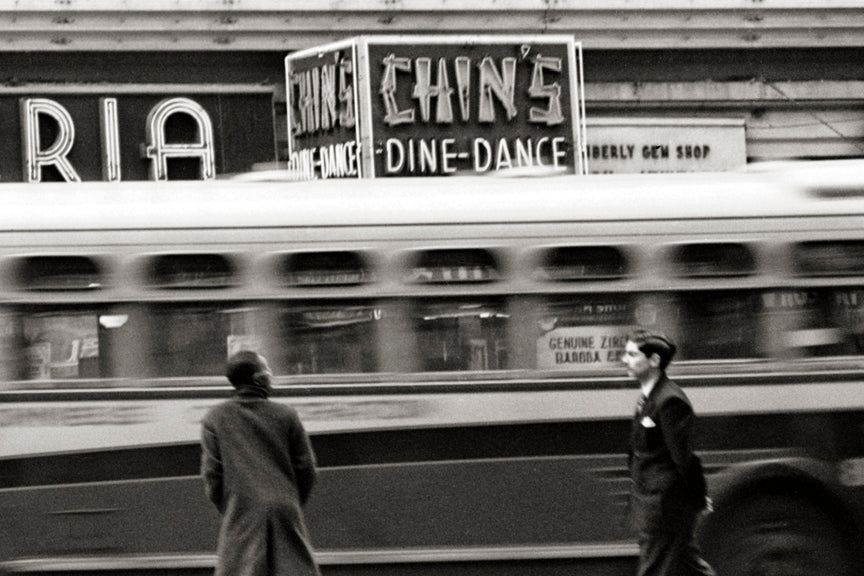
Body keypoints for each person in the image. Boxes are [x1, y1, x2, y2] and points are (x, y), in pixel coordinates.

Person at [201, 350, 320, 576]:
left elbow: (212, 475)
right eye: (267, 370)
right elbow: (306, 468)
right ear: (259, 379)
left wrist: (231, 506)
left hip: (241, 511)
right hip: (284, 509)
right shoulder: (286, 415)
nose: (271, 374)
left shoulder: (215, 418)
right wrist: (289, 499)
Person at [622, 330, 715, 576]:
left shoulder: (670, 401)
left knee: (655, 569)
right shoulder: (648, 398)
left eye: (632, 354)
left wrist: (698, 496)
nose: (625, 360)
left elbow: (684, 457)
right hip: (651, 504)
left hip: (664, 507)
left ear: (654, 361)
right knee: (689, 566)